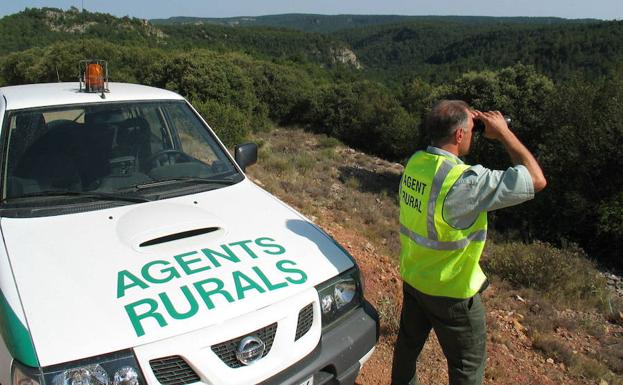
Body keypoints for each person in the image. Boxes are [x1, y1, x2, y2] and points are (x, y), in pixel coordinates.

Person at [391, 100, 546, 385]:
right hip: (453, 293)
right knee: (466, 369)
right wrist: (503, 134)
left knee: (406, 351)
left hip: (414, 280)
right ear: (460, 135)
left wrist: (462, 116)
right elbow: (536, 179)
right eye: (470, 130)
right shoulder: (464, 182)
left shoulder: (416, 163)